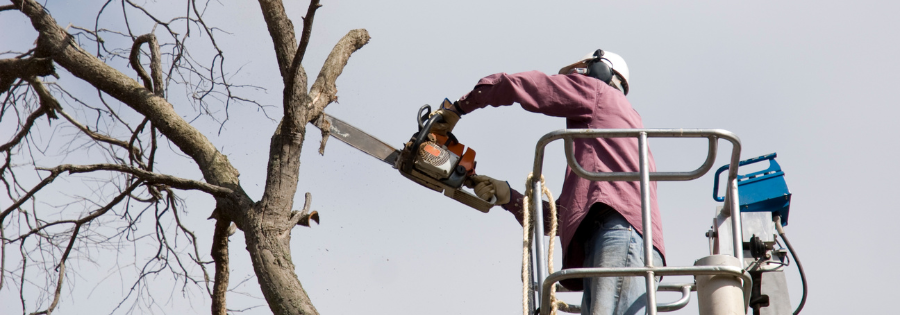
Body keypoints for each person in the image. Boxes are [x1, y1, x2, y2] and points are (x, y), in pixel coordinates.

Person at [433, 49, 665, 315]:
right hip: (615, 238)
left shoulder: (599, 94)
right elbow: (559, 219)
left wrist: (459, 108)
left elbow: (526, 86)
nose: (576, 81)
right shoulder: (603, 154)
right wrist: (508, 197)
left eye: (582, 73)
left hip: (618, 234)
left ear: (601, 72)